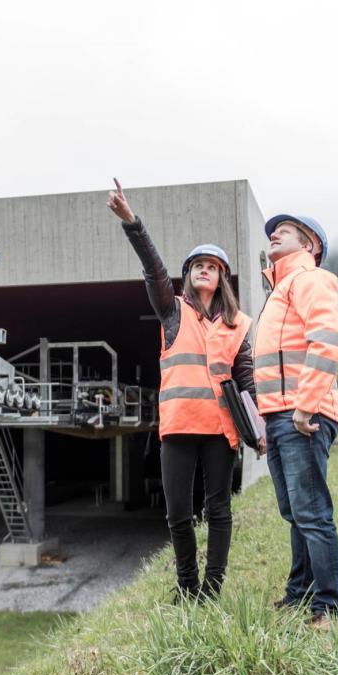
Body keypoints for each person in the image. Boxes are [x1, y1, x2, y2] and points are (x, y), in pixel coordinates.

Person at [107, 178, 263, 601]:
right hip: (177, 427)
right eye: (197, 266)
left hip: (220, 430)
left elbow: (247, 382)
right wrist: (133, 224)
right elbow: (153, 269)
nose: (204, 270)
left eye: (211, 266)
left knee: (218, 510)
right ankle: (187, 585)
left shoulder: (237, 325)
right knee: (178, 513)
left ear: (221, 276)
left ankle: (211, 590)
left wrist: (258, 431)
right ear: (189, 276)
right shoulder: (172, 312)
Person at [253, 213, 338, 627]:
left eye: (286, 231)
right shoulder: (280, 290)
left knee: (311, 513)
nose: (275, 234)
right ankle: (300, 593)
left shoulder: (309, 279)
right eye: (274, 231)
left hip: (301, 414)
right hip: (281, 414)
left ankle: (329, 607)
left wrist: (306, 405)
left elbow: (327, 339)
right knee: (295, 512)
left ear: (309, 246)